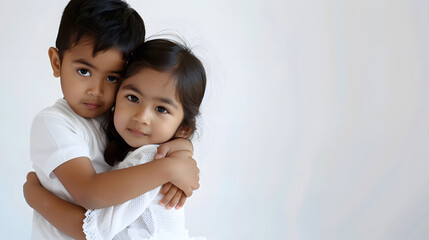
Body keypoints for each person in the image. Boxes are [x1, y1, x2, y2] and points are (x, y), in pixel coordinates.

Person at [28, 1, 200, 239]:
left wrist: (181, 151)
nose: (96, 91)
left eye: (111, 77)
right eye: (84, 71)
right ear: (57, 63)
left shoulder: (120, 119)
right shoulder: (53, 123)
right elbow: (89, 193)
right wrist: (34, 196)